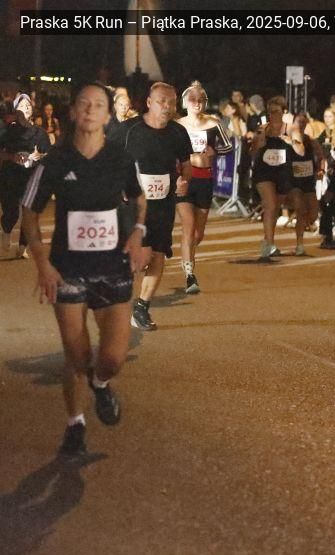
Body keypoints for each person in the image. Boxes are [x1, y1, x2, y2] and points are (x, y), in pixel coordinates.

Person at [19, 82, 150, 457]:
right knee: (75, 356)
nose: (91, 110)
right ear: (74, 112)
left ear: (108, 116)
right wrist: (42, 263)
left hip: (113, 267)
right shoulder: (54, 162)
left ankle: (101, 383)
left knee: (112, 358)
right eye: (84, 103)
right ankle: (75, 424)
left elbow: (140, 199)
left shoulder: (121, 159)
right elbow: (29, 212)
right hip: (68, 270)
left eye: (99, 105)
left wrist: (138, 233)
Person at [120, 82, 192, 331]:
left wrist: (184, 181)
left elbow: (186, 164)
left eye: (172, 102)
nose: (167, 106)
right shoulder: (129, 130)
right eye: (162, 101)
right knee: (140, 258)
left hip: (163, 204)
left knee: (159, 253)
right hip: (133, 206)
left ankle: (141, 308)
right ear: (149, 102)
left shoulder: (178, 132)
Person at [176, 81, 233, 294]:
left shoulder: (213, 122)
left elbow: (228, 146)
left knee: (198, 234)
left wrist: (214, 151)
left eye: (200, 100)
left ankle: (187, 255)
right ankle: (190, 274)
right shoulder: (178, 125)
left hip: (205, 179)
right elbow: (168, 149)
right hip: (185, 178)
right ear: (185, 102)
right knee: (188, 226)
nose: (196, 103)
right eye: (192, 99)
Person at [0, 93, 51, 257]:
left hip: (31, 176)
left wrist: (38, 157)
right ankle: (6, 229)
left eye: (28, 106)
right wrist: (11, 156)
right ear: (16, 110)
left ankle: (22, 247)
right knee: (12, 212)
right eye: (22, 106)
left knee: (29, 213)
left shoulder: (40, 133)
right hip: (10, 176)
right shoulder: (7, 131)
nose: (25, 109)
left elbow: (48, 155)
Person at [250, 95, 291, 259]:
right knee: (271, 205)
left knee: (275, 209)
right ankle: (267, 244)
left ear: (284, 112)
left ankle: (270, 241)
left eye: (276, 111)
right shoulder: (262, 129)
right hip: (264, 171)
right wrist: (257, 143)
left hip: (282, 173)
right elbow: (253, 152)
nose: (273, 115)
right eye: (271, 112)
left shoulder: (290, 129)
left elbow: (301, 148)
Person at [286, 112, 324, 256]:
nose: (301, 125)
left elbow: (321, 156)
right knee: (301, 210)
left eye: (303, 122)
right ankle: (299, 244)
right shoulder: (287, 140)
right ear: (293, 123)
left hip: (308, 181)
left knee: (313, 214)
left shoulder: (311, 141)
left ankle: (300, 225)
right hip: (294, 181)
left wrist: (321, 169)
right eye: (298, 122)